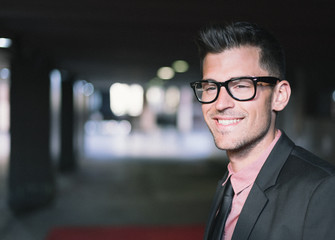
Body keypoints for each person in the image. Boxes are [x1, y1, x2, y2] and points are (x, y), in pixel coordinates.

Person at [190, 22, 335, 240]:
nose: (220, 103)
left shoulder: (322, 190)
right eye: (211, 87)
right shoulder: (229, 184)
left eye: (241, 86)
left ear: (280, 96)